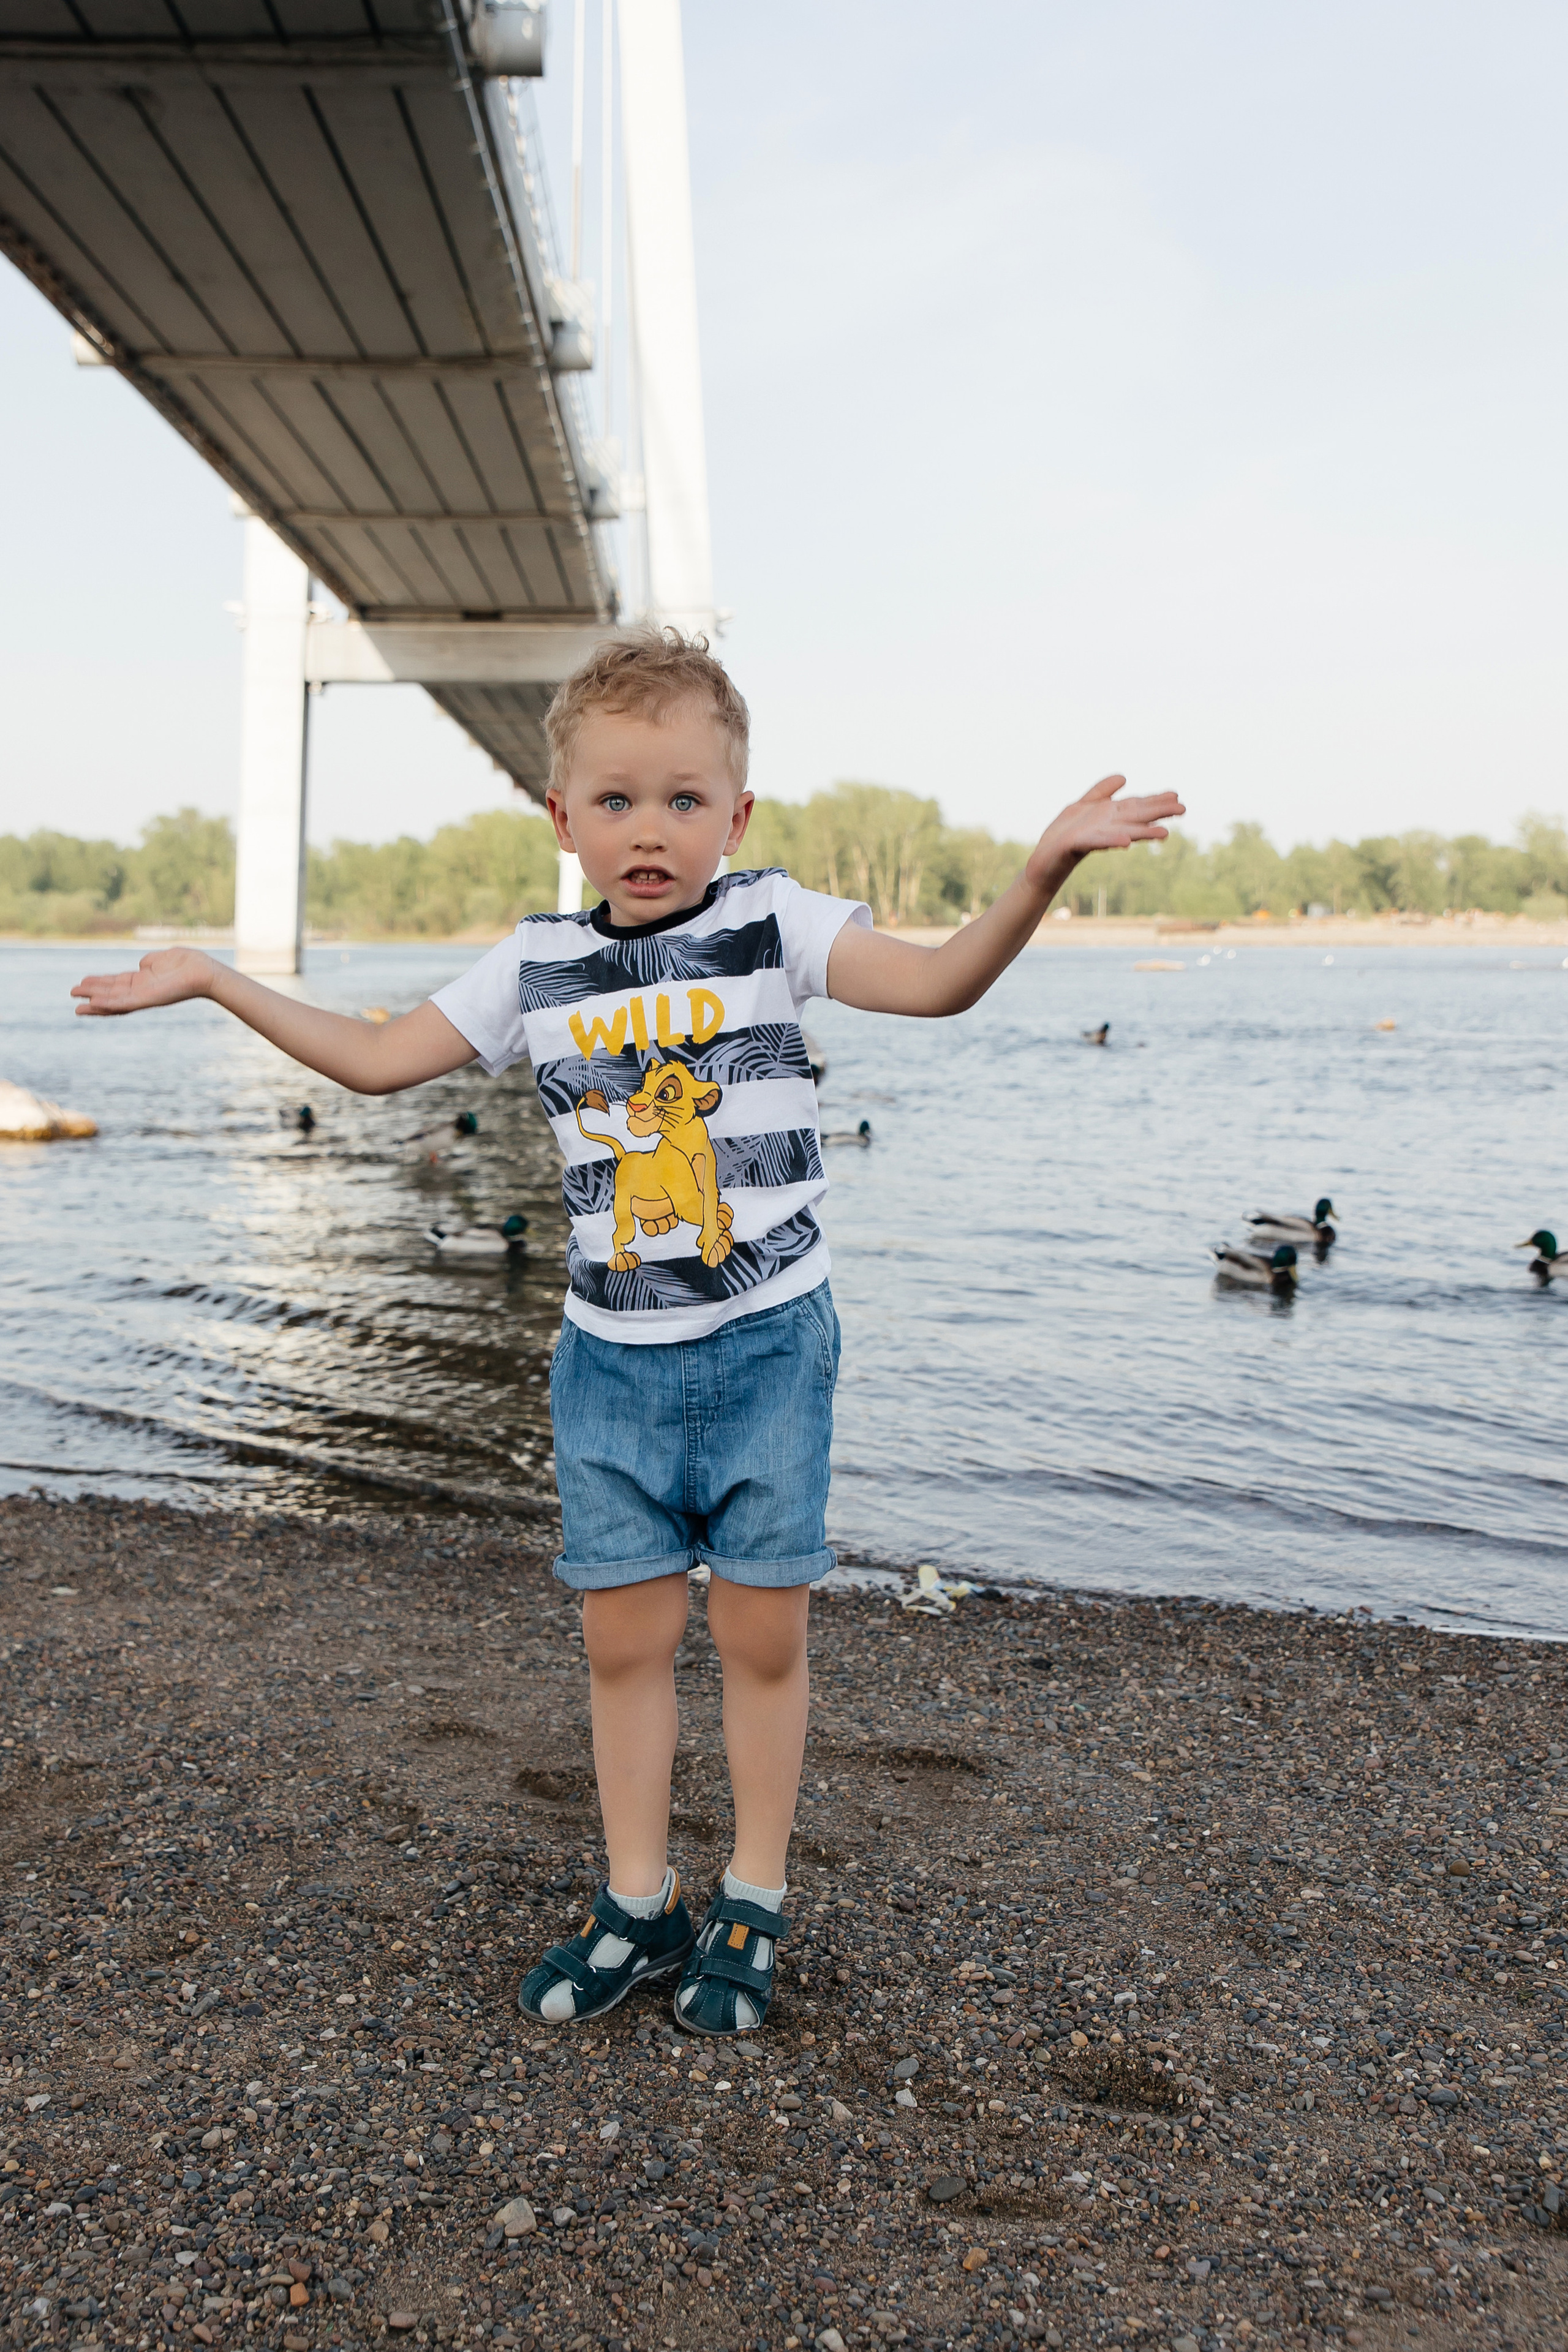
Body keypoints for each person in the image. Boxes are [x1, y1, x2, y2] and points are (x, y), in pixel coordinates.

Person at [71, 630, 1182, 2037]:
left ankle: (755, 1901)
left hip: (770, 1343)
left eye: (680, 798)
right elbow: (368, 1062)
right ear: (561, 819)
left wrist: (1039, 870)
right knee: (624, 1641)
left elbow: (944, 980)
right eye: (612, 800)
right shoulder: (531, 967)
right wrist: (219, 978)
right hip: (608, 1363)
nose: (646, 829)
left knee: (762, 1636)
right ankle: (639, 1904)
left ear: (735, 813)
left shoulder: (777, 925)